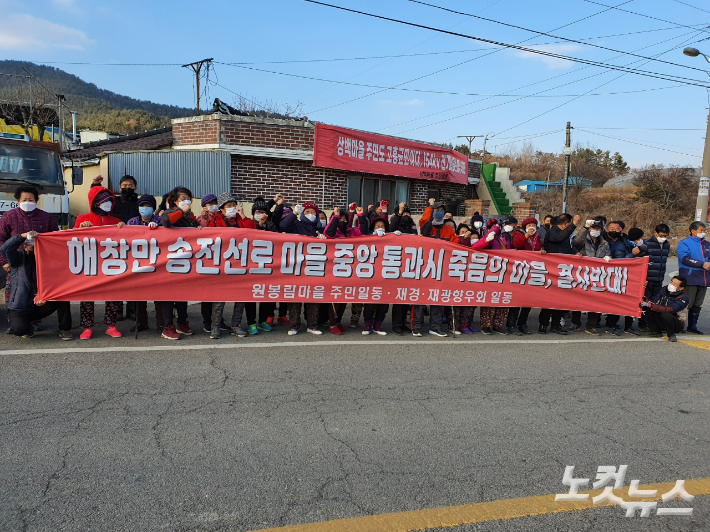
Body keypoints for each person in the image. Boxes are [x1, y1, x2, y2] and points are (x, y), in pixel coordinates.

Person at [0, 186, 59, 330]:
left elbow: (56, 238)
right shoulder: (9, 216)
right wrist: (4, 261)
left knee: (36, 289)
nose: (28, 202)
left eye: (31, 199)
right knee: (14, 291)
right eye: (24, 199)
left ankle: (34, 320)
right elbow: (1, 239)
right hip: (16, 261)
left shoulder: (46, 217)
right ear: (18, 201)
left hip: (40, 261)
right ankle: (13, 320)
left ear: (36, 201)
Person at [0, 231, 73, 340]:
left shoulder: (48, 259)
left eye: (39, 248)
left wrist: (45, 296)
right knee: (19, 330)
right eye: (33, 248)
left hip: (41, 303)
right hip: (21, 304)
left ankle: (65, 329)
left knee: (63, 299)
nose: (36, 251)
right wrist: (22, 236)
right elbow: (4, 249)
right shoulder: (18, 258)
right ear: (25, 247)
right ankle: (27, 328)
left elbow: (55, 281)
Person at [74, 186, 125, 339]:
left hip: (110, 263)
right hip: (90, 263)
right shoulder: (82, 219)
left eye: (110, 201)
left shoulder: (116, 221)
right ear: (95, 203)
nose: (108, 204)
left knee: (113, 295)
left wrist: (124, 229)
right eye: (104, 201)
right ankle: (87, 327)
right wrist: (80, 229)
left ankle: (111, 325)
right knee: (88, 296)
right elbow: (72, 239)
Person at [279, 199, 326, 335]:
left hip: (313, 267)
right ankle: (294, 325)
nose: (311, 214)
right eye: (307, 212)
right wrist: (294, 214)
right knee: (295, 297)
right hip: (297, 267)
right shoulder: (296, 224)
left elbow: (331, 236)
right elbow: (283, 227)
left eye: (313, 212)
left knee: (313, 298)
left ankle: (312, 325)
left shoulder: (319, 228)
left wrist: (325, 238)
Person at [159, 186, 198, 340]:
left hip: (185, 261)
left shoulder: (190, 217)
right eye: (183, 198)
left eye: (188, 198)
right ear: (175, 201)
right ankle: (167, 326)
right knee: (169, 295)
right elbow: (167, 222)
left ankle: (182, 322)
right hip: (170, 261)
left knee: (183, 294)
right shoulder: (170, 212)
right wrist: (182, 211)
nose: (187, 201)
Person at [539, 213, 580, 335]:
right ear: (566, 224)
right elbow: (559, 238)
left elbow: (567, 248)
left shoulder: (564, 234)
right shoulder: (553, 232)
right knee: (549, 300)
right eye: (569, 225)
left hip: (563, 271)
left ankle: (556, 325)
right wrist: (574, 225)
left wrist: (576, 254)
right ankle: (543, 324)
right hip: (552, 272)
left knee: (560, 301)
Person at [126, 195, 162, 333]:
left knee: (159, 295)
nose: (145, 208)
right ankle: (141, 322)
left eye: (148, 206)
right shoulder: (132, 221)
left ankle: (161, 323)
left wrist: (159, 228)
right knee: (138, 295)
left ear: (153, 208)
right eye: (142, 206)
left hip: (157, 262)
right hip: (138, 262)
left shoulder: (159, 220)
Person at [572, 219, 611, 335]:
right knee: (577, 299)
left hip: (597, 275)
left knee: (596, 300)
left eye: (598, 229)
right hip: (582, 274)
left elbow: (609, 254)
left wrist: (608, 257)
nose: (596, 231)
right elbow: (577, 242)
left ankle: (591, 325)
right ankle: (575, 323)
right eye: (594, 228)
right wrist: (584, 228)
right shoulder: (584, 240)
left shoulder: (605, 243)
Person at [472, 220, 510, 334]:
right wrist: (490, 235)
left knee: (503, 299)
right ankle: (486, 325)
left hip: (503, 272)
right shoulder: (487, 238)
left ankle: (498, 324)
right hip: (490, 272)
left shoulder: (504, 238)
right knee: (489, 300)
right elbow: (475, 247)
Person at [509, 216, 543, 335]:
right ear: (525, 227)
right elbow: (516, 244)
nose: (531, 228)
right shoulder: (519, 234)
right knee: (517, 300)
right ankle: (511, 324)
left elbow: (537, 249)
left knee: (528, 300)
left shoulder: (538, 237)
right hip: (520, 270)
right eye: (529, 226)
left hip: (532, 271)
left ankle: (522, 324)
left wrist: (541, 251)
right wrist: (526, 236)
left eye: (533, 225)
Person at [634, 224, 671, 331]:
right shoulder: (646, 243)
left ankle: (651, 322)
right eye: (662, 235)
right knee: (645, 300)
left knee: (655, 301)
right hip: (647, 278)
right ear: (655, 233)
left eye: (666, 236)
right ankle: (642, 322)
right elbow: (638, 259)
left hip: (659, 278)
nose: (664, 237)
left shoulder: (667, 245)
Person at [677, 221, 710, 335]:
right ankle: (680, 324)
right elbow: (685, 258)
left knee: (698, 303)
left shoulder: (707, 244)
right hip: (690, 277)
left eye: (704, 230)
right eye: (701, 230)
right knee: (687, 302)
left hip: (704, 278)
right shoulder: (684, 243)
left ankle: (693, 325)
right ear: (693, 231)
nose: (703, 232)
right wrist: (702, 264)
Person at [603, 221, 636, 336]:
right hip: (606, 275)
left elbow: (635, 252)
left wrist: (633, 254)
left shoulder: (625, 241)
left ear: (621, 230)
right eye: (611, 228)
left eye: (617, 229)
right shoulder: (602, 240)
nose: (614, 231)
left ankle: (629, 326)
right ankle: (611, 324)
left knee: (628, 299)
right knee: (613, 301)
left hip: (624, 274)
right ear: (607, 229)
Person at [362, 216, 391, 335]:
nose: (380, 228)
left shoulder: (390, 238)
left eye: (382, 226)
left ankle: (378, 326)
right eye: (377, 226)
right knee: (369, 303)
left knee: (383, 304)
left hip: (386, 276)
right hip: (371, 276)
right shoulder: (367, 238)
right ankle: (367, 326)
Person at [641, 276, 690, 343]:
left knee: (666, 314)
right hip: (660, 318)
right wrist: (647, 301)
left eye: (675, 284)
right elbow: (654, 300)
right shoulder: (663, 290)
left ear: (681, 288)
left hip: (675, 323)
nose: (671, 284)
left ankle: (671, 335)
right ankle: (655, 331)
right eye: (671, 282)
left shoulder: (684, 298)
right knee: (647, 308)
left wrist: (651, 305)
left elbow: (671, 309)